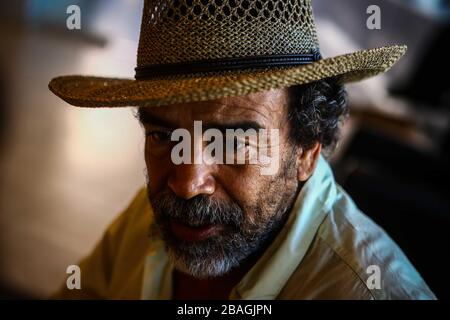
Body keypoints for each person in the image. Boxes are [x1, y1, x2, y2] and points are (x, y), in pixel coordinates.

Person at [49, 0, 435, 299]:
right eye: (163, 136)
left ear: (307, 150)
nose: (186, 183)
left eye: (232, 142)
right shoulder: (146, 221)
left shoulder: (366, 289)